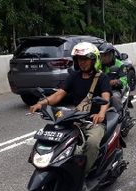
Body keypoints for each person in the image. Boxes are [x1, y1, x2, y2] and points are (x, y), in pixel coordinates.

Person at [29, 42, 111, 175]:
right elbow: (59, 94)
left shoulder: (102, 78)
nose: (82, 62)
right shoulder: (74, 76)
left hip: (94, 122)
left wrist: (101, 113)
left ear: (94, 60)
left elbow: (106, 97)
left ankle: (84, 174)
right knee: (58, 139)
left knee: (92, 143)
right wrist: (41, 104)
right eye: (79, 59)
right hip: (76, 118)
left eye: (85, 59)